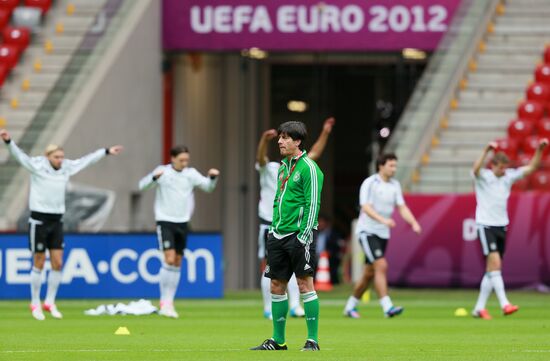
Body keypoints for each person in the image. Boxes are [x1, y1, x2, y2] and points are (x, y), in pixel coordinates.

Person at [0, 128, 123, 320]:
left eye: (62, 156)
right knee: (39, 261)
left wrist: (106, 152)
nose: (60, 160)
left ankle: (49, 302)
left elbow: (86, 160)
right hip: (39, 219)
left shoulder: (66, 167)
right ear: (47, 156)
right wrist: (8, 142)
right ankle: (35, 303)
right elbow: (20, 157)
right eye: (56, 157)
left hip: (57, 220)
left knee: (58, 262)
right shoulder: (37, 166)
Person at [251, 121, 324, 351]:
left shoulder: (309, 168)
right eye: (280, 137)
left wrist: (305, 235)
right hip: (278, 233)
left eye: (285, 138)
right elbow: (278, 200)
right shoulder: (283, 166)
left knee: (304, 284)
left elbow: (313, 203)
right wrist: (274, 228)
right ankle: (278, 341)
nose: (280, 142)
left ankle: (312, 340)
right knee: (276, 285)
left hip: (298, 235)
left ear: (297, 141)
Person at [139, 145, 219, 319]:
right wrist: (154, 178)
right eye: (181, 160)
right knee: (168, 259)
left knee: (177, 261)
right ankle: (163, 302)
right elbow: (142, 186)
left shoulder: (190, 174)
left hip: (182, 222)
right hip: (165, 221)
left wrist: (212, 178)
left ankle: (169, 302)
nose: (184, 163)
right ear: (172, 158)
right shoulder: (162, 171)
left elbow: (208, 187)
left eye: (186, 160)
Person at [471, 139, 548, 320]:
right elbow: (475, 169)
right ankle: (505, 304)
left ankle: (479, 308)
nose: (503, 170)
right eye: (500, 167)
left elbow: (531, 168)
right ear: (493, 165)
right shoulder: (484, 176)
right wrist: (486, 150)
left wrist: (539, 150)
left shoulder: (508, 177)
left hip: (501, 226)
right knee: (495, 264)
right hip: (486, 225)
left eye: (505, 167)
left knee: (492, 270)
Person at [343, 153, 421, 319]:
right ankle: (387, 307)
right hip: (367, 231)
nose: (394, 169)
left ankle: (350, 307)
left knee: (369, 274)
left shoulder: (395, 185)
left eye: (395, 166)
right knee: (381, 265)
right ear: (381, 166)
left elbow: (402, 207)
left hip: (382, 234)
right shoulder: (370, 183)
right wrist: (383, 220)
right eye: (391, 165)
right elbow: (365, 207)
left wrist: (413, 222)